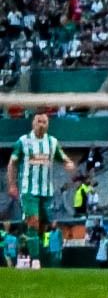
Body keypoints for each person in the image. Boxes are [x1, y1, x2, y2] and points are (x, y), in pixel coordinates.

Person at [7, 111, 75, 263]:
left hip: (47, 191)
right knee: (33, 221)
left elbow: (63, 157)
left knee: (43, 224)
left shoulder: (52, 142)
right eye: (39, 121)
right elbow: (12, 163)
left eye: (45, 122)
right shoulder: (23, 141)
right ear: (33, 123)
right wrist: (12, 184)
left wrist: (69, 163)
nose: (42, 125)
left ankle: (25, 247)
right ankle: (35, 259)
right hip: (28, 190)